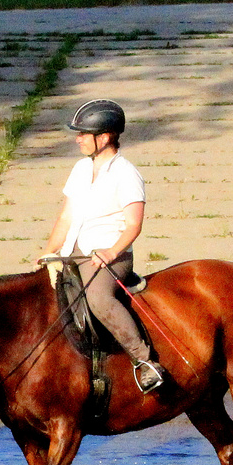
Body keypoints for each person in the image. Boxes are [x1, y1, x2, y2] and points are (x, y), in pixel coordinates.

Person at [37, 99, 167, 393]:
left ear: (104, 137)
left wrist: (111, 251)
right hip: (74, 252)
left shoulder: (126, 174)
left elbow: (134, 224)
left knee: (98, 299)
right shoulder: (81, 169)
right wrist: (49, 251)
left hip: (111, 257)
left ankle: (145, 362)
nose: (78, 138)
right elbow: (66, 216)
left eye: (83, 133)